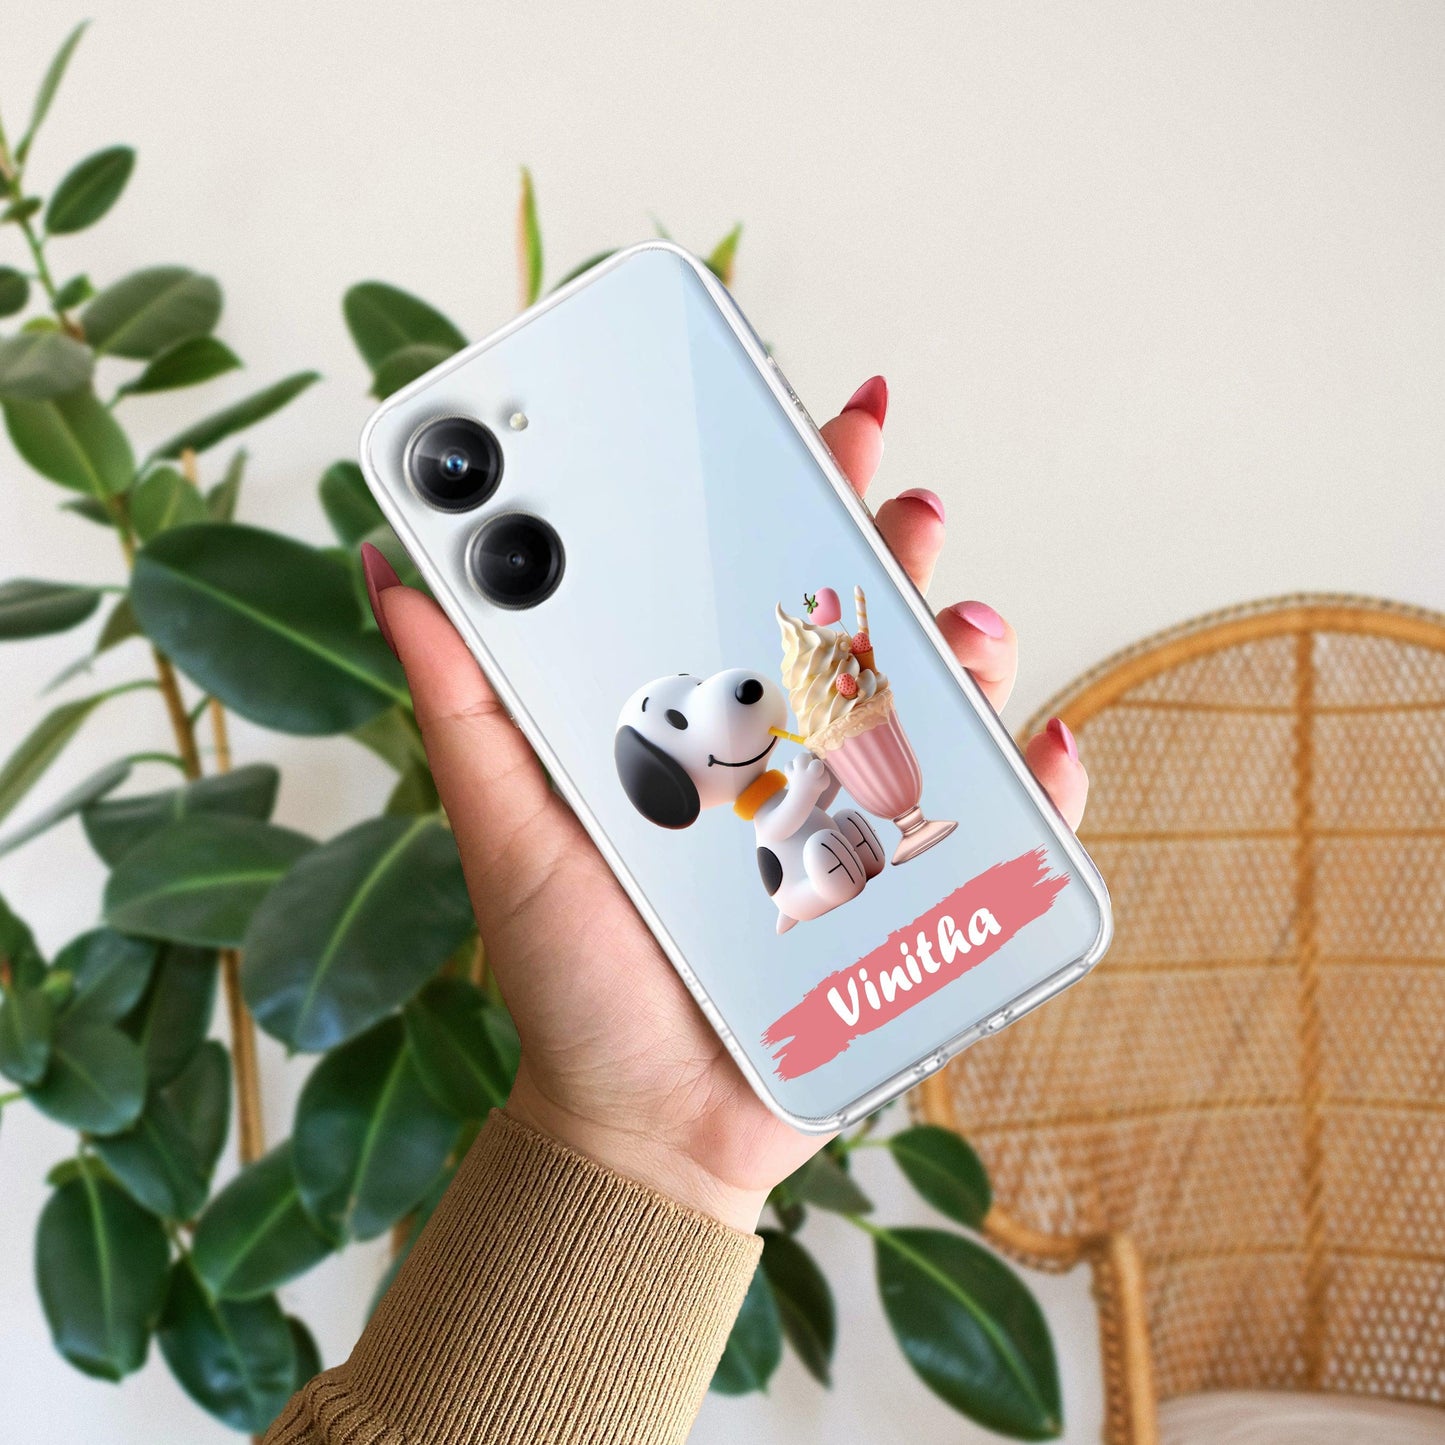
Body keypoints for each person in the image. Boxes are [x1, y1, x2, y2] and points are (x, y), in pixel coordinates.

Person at [263, 377, 1088, 1445]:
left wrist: (637, 1147)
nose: (716, 700)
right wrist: (650, 1150)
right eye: (679, 720)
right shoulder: (746, 811)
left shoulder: (769, 759)